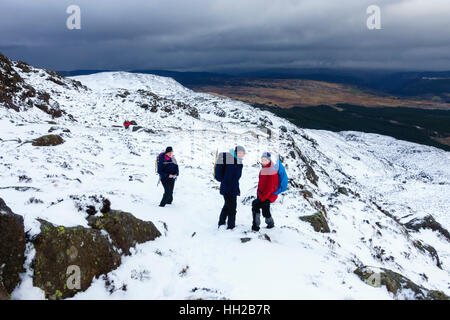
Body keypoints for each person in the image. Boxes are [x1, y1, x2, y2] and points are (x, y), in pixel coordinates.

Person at [215, 146, 245, 230]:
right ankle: (231, 227)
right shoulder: (231, 161)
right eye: (239, 153)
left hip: (233, 188)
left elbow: (236, 177)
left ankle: (221, 223)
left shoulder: (238, 162)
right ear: (235, 152)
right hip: (227, 188)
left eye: (242, 153)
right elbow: (228, 176)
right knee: (232, 208)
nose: (241, 155)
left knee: (227, 206)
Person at [252, 152, 279, 231]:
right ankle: (270, 224)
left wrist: (263, 198)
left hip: (267, 195)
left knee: (255, 205)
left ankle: (255, 227)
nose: (263, 161)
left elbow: (270, 187)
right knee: (265, 210)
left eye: (265, 159)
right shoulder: (265, 168)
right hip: (264, 194)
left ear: (269, 160)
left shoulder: (271, 170)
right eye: (262, 159)